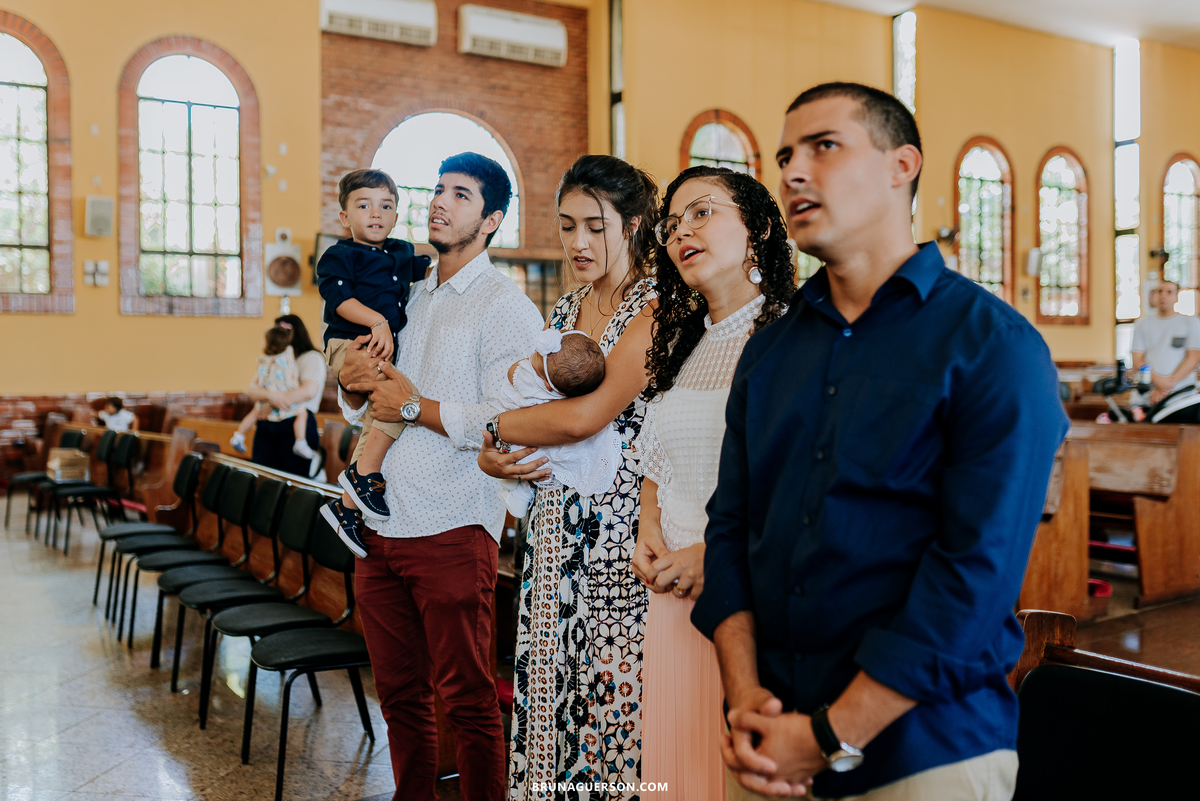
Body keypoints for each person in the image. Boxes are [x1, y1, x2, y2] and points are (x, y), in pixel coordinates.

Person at [692, 82, 1068, 800]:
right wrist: (745, 697)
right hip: (768, 740)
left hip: (924, 752)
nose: (794, 172)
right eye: (785, 157)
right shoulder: (769, 352)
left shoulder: (994, 346)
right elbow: (732, 529)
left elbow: (975, 573)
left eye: (824, 147)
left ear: (902, 165)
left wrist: (830, 734)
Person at [333, 152, 543, 801]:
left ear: (492, 220)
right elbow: (372, 399)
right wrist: (347, 386)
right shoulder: (408, 293)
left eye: (461, 194)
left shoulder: (505, 306)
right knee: (399, 696)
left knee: (469, 700)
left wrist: (415, 408)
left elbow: (510, 420)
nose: (440, 202)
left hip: (452, 524)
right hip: (379, 525)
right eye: (437, 190)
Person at [476, 154, 659, 800]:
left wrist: (490, 427)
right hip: (550, 531)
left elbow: (584, 417)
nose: (578, 242)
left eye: (595, 226)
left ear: (631, 224)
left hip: (617, 536)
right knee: (548, 691)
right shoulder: (566, 308)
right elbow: (528, 401)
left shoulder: (658, 307)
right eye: (566, 225)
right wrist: (493, 452)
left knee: (606, 700)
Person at [630, 166, 794, 800]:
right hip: (670, 590)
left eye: (702, 212)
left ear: (757, 231)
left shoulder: (788, 337)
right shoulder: (686, 344)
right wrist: (648, 527)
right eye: (672, 224)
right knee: (678, 765)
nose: (681, 232)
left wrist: (717, 554)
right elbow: (658, 455)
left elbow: (791, 476)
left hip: (744, 590)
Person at [317, 168, 430, 553]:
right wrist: (378, 321)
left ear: (396, 215)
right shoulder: (339, 255)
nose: (376, 213)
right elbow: (339, 300)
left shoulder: (401, 252)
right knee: (398, 399)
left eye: (385, 206)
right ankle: (362, 477)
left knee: (385, 410)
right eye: (364, 206)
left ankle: (347, 506)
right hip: (349, 342)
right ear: (345, 217)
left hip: (379, 348)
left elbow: (433, 272)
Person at [495, 328, 620, 518]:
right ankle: (521, 494)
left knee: (524, 457)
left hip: (523, 435)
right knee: (540, 465)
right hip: (555, 451)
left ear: (547, 384)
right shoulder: (572, 394)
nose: (532, 359)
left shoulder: (531, 383)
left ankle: (518, 492)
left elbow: (513, 371)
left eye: (536, 360)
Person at [248, 314, 325, 476]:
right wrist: (271, 397)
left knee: (293, 479)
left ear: (293, 333)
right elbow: (252, 390)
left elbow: (308, 390)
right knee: (263, 478)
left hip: (296, 422)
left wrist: (271, 402)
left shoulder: (311, 357)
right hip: (268, 422)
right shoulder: (272, 359)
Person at [230, 325, 315, 469]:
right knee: (302, 413)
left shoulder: (263, 360)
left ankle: (239, 435)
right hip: (285, 402)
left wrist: (268, 398)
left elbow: (255, 386)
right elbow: (251, 390)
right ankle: (300, 442)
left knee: (254, 413)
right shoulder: (287, 356)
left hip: (266, 401)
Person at [1130, 279, 1200, 412]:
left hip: (1181, 396)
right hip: (1150, 395)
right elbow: (1137, 359)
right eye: (1159, 291)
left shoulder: (1191, 322)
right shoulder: (1142, 324)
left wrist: (1167, 385)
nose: (1163, 295)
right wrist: (1158, 381)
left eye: (1169, 292)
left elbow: (1194, 358)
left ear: (1177, 297)